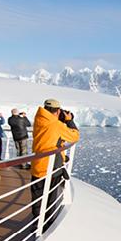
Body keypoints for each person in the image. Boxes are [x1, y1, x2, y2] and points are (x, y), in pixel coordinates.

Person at [31, 98, 79, 228]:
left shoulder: (39, 119)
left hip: (38, 164)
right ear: (57, 111)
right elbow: (75, 136)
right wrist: (69, 121)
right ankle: (46, 225)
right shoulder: (55, 125)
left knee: (37, 197)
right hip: (50, 167)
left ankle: (36, 223)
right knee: (50, 197)